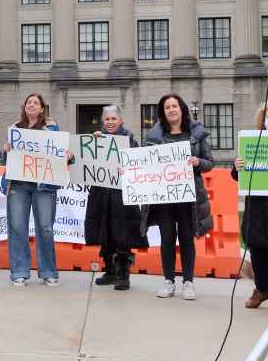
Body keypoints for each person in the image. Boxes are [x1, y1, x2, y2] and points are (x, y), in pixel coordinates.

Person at [144, 94, 214, 301]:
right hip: (164, 198)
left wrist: (197, 162)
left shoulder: (196, 134)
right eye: (167, 107)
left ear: (181, 109)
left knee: (186, 238)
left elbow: (210, 162)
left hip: (188, 197)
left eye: (175, 106)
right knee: (166, 239)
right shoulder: (154, 137)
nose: (172, 110)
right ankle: (168, 281)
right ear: (162, 112)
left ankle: (188, 282)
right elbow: (144, 163)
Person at [4, 93, 72, 287]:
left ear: (42, 108)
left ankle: (49, 272)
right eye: (29, 102)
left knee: (45, 228)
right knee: (17, 228)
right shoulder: (15, 129)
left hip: (44, 186)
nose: (32, 105)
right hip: (18, 185)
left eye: (36, 103)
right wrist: (5, 150)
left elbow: (62, 155)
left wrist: (68, 155)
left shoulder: (51, 128)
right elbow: (7, 161)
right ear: (24, 107)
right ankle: (19, 272)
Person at [84, 106, 148, 290]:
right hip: (101, 192)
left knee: (123, 233)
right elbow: (84, 161)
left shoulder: (131, 142)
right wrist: (90, 143)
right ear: (103, 122)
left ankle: (123, 275)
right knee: (105, 231)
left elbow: (138, 167)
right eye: (107, 119)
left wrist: (127, 170)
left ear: (121, 121)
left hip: (121, 195)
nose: (110, 122)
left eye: (114, 119)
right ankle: (110, 271)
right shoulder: (95, 140)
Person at [231, 104, 268, 309]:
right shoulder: (253, 142)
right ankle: (262, 288)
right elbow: (237, 176)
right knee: (256, 246)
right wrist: (237, 167)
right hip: (257, 207)